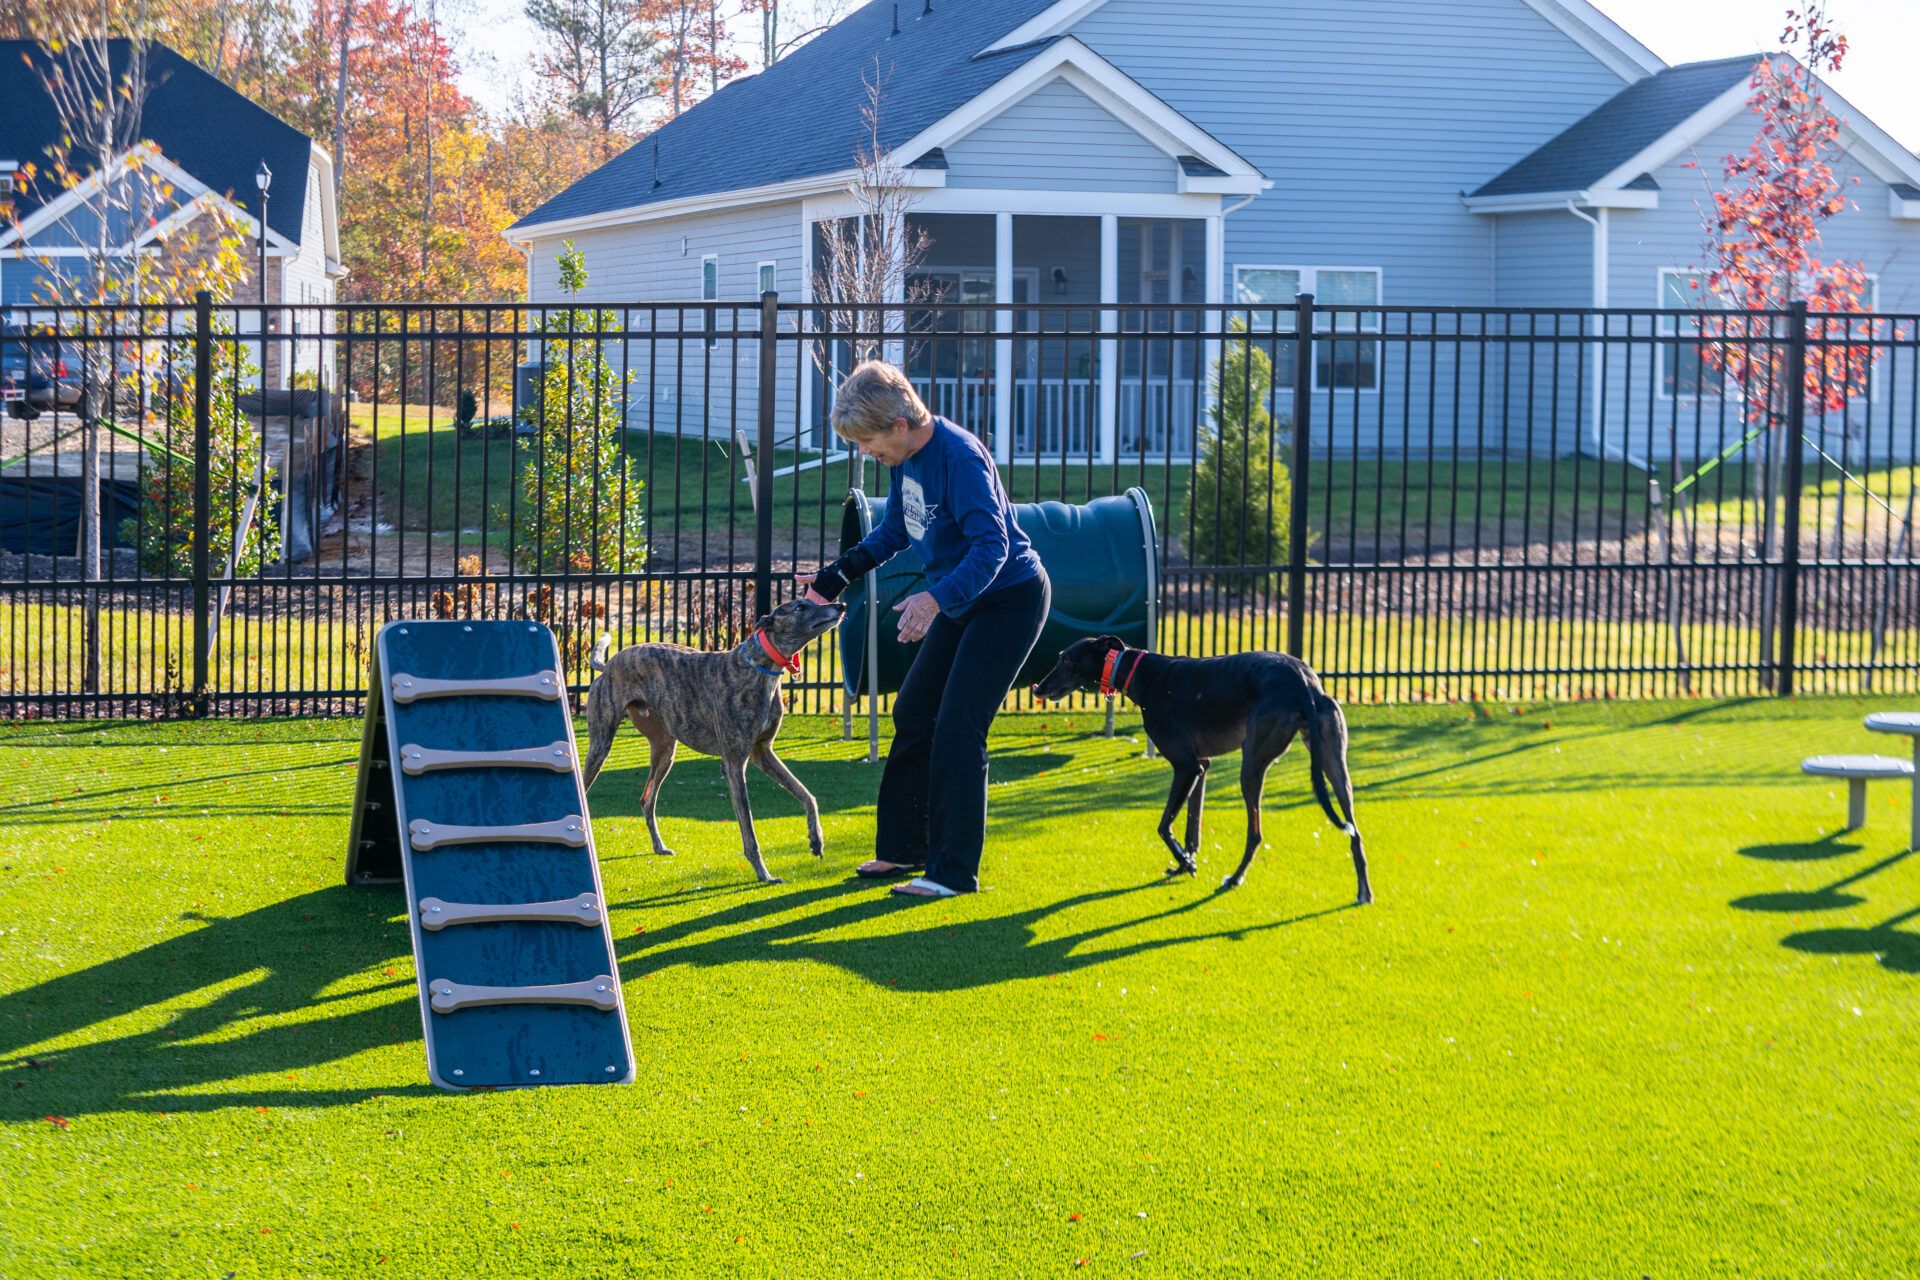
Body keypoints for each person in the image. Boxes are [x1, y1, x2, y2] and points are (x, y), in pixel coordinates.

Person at [800, 361, 1049, 899]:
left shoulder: (959, 458)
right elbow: (897, 527)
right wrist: (835, 576)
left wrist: (935, 599)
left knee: (960, 728)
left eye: (868, 443)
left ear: (898, 424)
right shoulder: (905, 460)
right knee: (913, 711)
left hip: (1007, 601)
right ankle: (902, 850)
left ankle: (952, 873)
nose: (868, 454)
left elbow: (993, 546)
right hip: (962, 603)